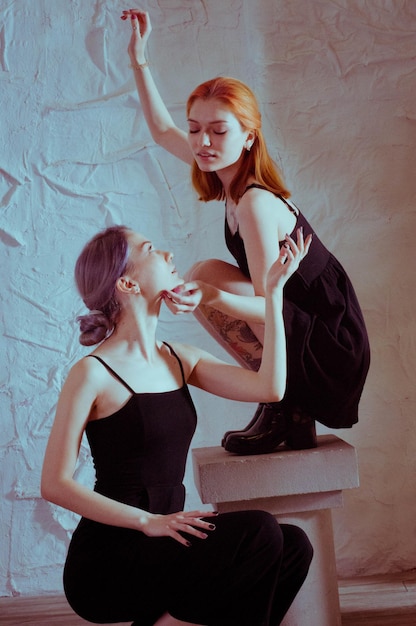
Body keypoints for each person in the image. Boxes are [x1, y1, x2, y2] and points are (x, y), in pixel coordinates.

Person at [120, 9, 371, 455]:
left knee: (206, 279)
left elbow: (263, 304)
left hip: (332, 345)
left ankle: (286, 407)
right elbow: (162, 131)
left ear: (249, 137)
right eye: (196, 129)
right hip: (301, 325)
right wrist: (139, 58)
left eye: (218, 131)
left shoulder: (254, 202)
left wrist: (206, 297)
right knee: (206, 272)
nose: (202, 143)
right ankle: (282, 404)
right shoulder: (226, 179)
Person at [41, 225, 313, 626]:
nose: (168, 254)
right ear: (127, 282)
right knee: (259, 531)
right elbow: (54, 483)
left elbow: (270, 387)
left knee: (293, 545)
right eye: (151, 249)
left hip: (170, 538)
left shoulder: (179, 358)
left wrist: (272, 293)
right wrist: (147, 521)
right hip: (110, 557)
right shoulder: (93, 374)